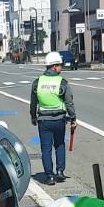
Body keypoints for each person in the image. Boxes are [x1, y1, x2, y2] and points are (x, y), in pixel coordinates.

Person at [29, 50, 77, 185]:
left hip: (43, 121)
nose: (61, 67)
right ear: (54, 66)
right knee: (59, 145)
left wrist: (33, 117)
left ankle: (49, 176)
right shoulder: (62, 82)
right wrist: (73, 118)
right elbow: (69, 103)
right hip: (59, 120)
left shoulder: (37, 82)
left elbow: (33, 103)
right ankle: (60, 171)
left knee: (46, 149)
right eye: (60, 65)